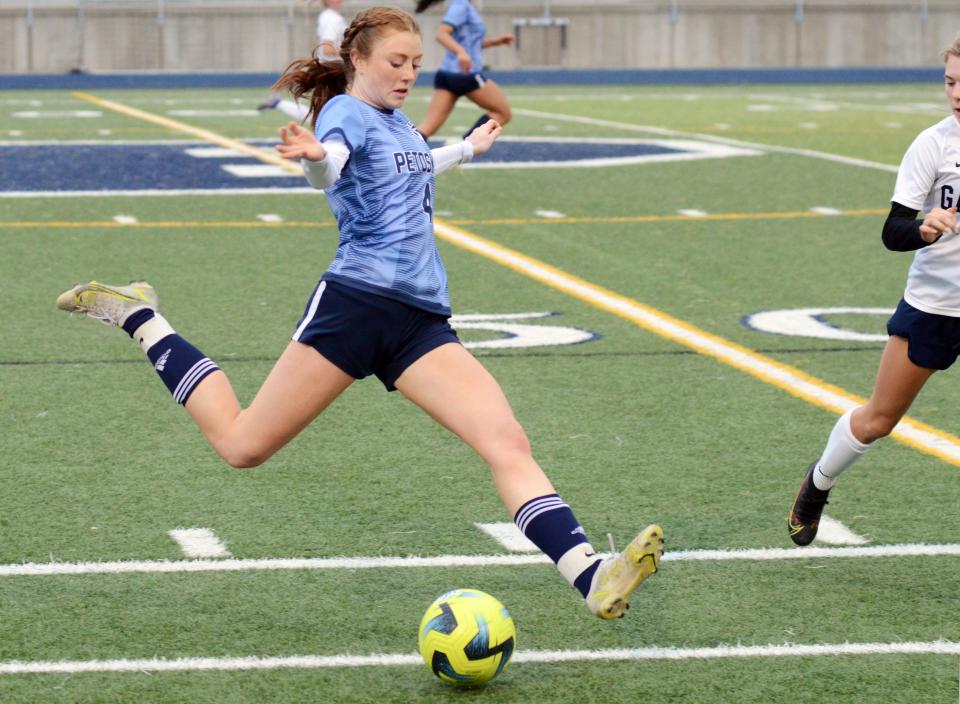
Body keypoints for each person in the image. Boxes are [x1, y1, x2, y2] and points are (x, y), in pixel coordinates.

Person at [57, 6, 663, 619]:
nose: (408, 75)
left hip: (420, 320)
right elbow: (332, 168)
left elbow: (414, 166)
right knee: (242, 445)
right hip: (356, 307)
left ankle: (590, 575)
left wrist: (468, 149)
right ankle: (140, 316)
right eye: (396, 63)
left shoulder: (399, 126)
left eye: (415, 65)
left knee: (505, 439)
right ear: (359, 60)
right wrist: (314, 154)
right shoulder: (346, 112)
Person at [788, 35, 960, 546]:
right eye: (950, 82)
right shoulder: (933, 145)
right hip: (936, 304)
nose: (956, 93)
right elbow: (893, 231)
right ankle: (817, 485)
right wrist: (924, 230)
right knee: (878, 420)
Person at [414, 0, 513, 139]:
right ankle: (469, 145)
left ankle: (402, 153)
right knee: (503, 113)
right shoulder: (461, 5)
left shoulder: (462, 5)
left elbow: (470, 44)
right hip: (465, 74)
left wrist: (495, 42)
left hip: (446, 74)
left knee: (427, 128)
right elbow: (442, 34)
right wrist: (461, 52)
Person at [257, 0, 347, 120]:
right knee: (326, 116)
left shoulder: (328, 16)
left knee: (326, 115)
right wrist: (352, 53)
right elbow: (327, 49)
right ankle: (279, 104)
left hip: (331, 72)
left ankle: (279, 104)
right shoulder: (333, 19)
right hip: (333, 74)